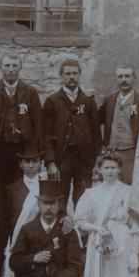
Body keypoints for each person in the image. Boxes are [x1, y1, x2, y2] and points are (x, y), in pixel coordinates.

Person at [0, 55, 43, 186]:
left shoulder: (30, 92)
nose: (11, 69)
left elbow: (38, 125)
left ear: (20, 68)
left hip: (22, 149)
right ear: (0, 68)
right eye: (7, 66)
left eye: (15, 66)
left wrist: (35, 155)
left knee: (20, 187)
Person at [43, 59, 101, 204]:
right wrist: (50, 162)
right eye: (68, 74)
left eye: (75, 73)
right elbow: (46, 134)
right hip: (62, 157)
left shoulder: (87, 101)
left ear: (80, 75)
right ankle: (61, 226)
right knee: (59, 196)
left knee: (83, 197)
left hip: (84, 158)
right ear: (61, 76)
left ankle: (80, 226)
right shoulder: (52, 101)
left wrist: (96, 161)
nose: (72, 77)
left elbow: (96, 133)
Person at [98, 66, 139, 184]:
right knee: (111, 185)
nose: (124, 80)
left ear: (134, 79)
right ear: (116, 80)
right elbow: (97, 120)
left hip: (131, 152)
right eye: (120, 77)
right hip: (112, 152)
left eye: (127, 76)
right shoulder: (109, 99)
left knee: (130, 185)